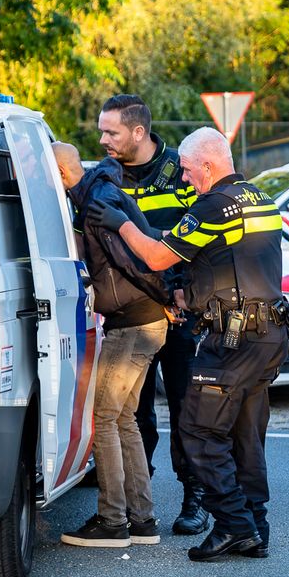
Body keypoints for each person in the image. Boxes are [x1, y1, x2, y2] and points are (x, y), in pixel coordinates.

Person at [86, 127, 289, 562]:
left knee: (199, 431)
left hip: (234, 340)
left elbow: (158, 256)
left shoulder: (213, 207)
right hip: (269, 335)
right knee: (245, 434)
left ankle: (235, 526)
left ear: (207, 164)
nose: (183, 179)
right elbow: (231, 260)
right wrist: (190, 290)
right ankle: (255, 523)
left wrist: (121, 222)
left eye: (186, 170)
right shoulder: (260, 198)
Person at [97, 94, 209, 536]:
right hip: (132, 314)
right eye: (102, 130)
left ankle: (195, 497)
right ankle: (133, 502)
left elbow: (196, 239)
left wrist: (182, 293)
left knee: (186, 409)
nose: (103, 139)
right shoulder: (106, 178)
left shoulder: (180, 175)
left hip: (180, 315)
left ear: (138, 133)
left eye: (112, 132)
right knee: (134, 413)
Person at [51, 142, 171, 548]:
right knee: (125, 420)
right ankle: (142, 519)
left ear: (63, 176)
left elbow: (134, 261)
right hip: (145, 322)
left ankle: (112, 520)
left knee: (103, 418)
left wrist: (169, 297)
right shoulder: (101, 192)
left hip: (133, 326)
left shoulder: (98, 207)